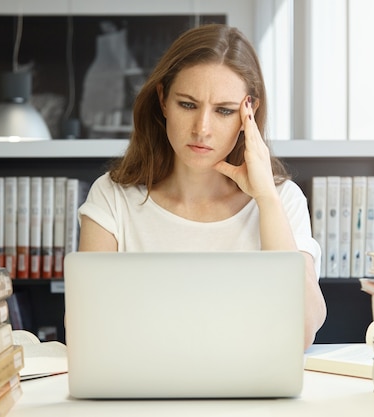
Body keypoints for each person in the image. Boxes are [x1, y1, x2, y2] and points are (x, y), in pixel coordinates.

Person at [77, 23, 326, 349]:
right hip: (143, 395)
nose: (202, 129)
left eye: (224, 111)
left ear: (248, 115)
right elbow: (89, 333)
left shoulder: (281, 201)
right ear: (163, 99)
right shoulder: (112, 197)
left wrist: (266, 199)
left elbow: (301, 334)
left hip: (251, 395)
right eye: (188, 105)